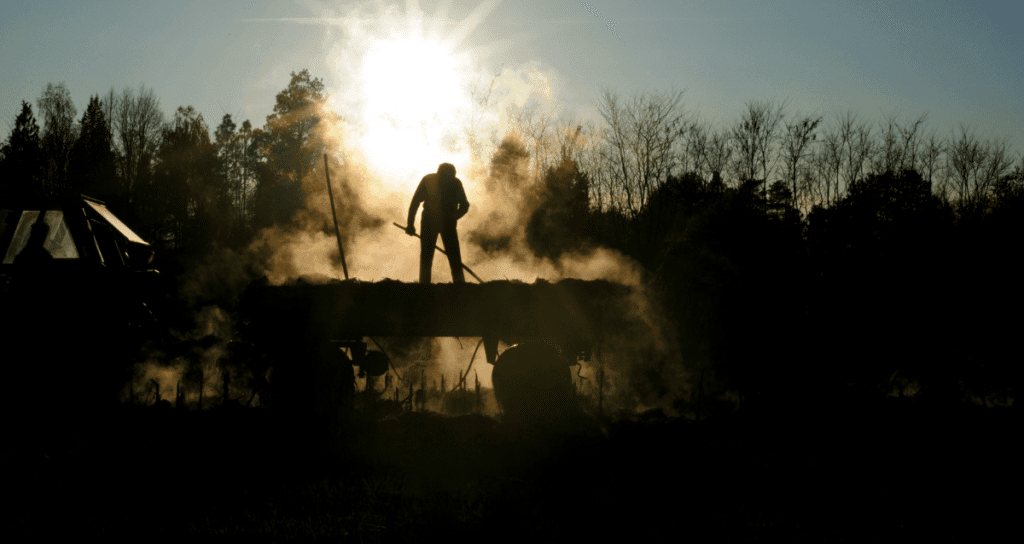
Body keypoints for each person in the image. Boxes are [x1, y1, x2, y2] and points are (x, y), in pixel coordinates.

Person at [406, 163, 470, 284]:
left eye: (449, 177)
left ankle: (459, 286)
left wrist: (454, 217)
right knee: (431, 257)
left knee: (450, 257)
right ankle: (426, 286)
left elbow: (465, 205)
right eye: (444, 176)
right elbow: (415, 202)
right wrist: (410, 224)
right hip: (432, 223)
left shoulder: (454, 183)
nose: (446, 180)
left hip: (441, 223)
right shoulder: (433, 180)